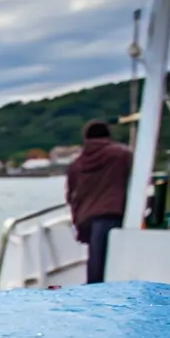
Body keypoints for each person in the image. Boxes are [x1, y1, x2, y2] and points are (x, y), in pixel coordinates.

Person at [65, 120, 133, 284]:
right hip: (112, 212)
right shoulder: (122, 155)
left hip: (86, 218)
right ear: (108, 136)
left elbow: (71, 195)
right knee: (108, 261)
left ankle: (94, 295)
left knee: (95, 259)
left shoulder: (76, 164)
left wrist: (77, 220)